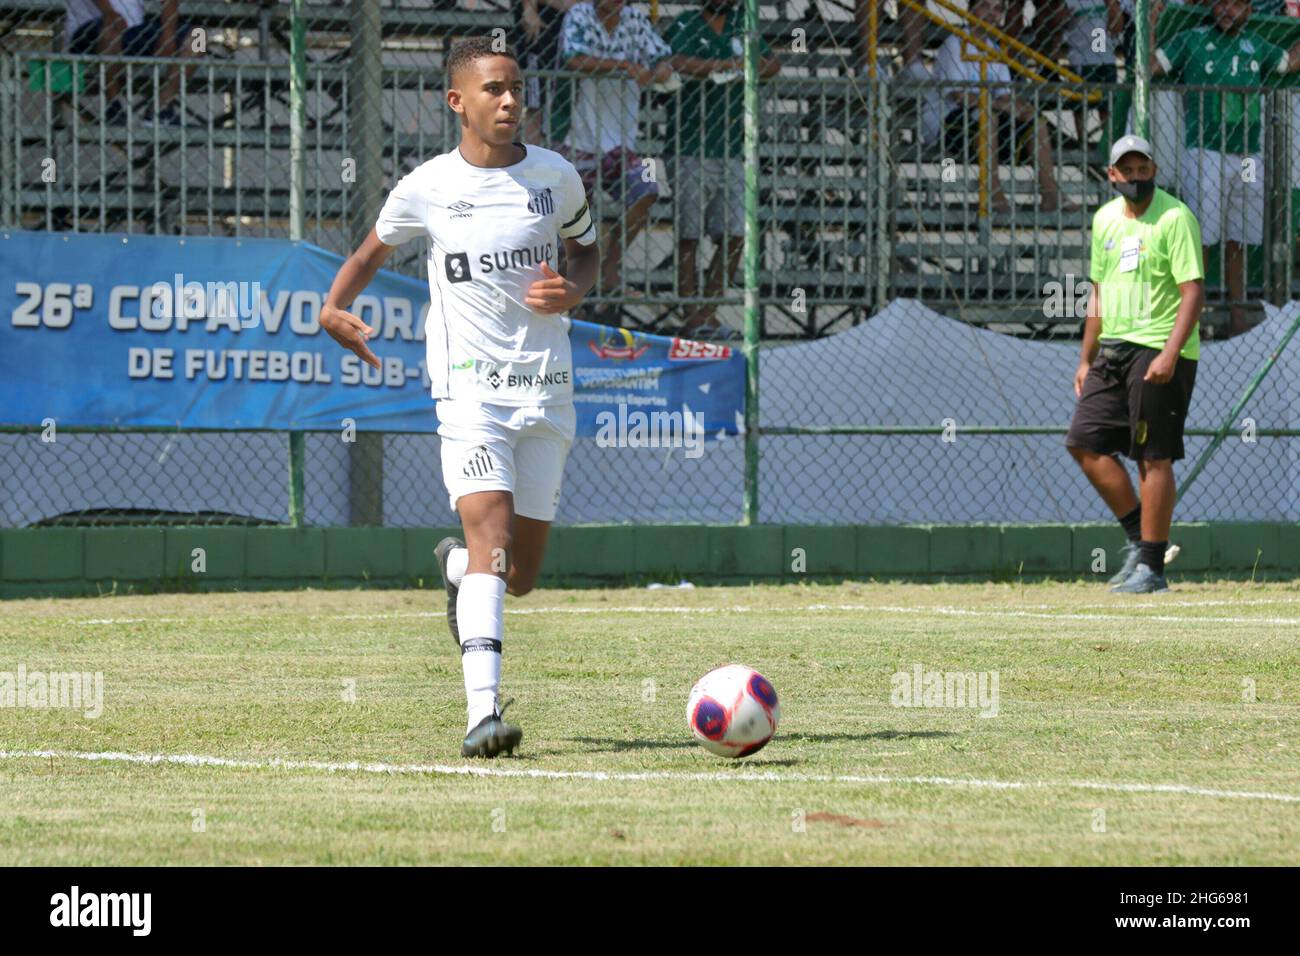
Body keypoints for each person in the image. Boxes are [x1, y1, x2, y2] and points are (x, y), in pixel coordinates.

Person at [318, 37, 599, 757]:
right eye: (493, 90)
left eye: (515, 90)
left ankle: (455, 568)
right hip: (469, 392)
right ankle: (483, 716)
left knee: (520, 575)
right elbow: (367, 255)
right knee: (493, 540)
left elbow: (588, 250)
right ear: (457, 102)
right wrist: (333, 308)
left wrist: (574, 287)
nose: (509, 102)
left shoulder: (556, 177)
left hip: (546, 391)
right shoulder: (427, 187)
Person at [1066, 135, 1203, 594]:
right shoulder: (1104, 220)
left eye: (1143, 168)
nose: (1136, 177)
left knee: (1153, 455)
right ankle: (1142, 544)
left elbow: (1193, 293)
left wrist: (1169, 352)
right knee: (1085, 443)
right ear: (1112, 175)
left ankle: (1152, 570)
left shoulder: (1175, 217)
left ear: (1154, 170)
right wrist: (1087, 357)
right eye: (1127, 170)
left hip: (1159, 349)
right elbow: (1099, 294)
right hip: (1113, 350)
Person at [1152, 0, 1300, 334]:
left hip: (1248, 156)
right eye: (1220, 2)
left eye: (1235, 4)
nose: (1227, 9)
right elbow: (1149, 68)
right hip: (1206, 152)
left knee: (1238, 237)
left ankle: (1237, 312)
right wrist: (1150, 26)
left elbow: (1288, 64)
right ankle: (1192, 313)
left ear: (1248, 10)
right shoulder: (1190, 39)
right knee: (1200, 238)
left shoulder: (1256, 44)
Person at [663, 0, 778, 338]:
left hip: (731, 147)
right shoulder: (686, 22)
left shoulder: (745, 22)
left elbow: (773, 64)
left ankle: (704, 314)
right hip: (688, 144)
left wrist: (740, 66)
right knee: (688, 235)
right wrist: (725, 66)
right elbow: (674, 62)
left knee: (737, 235)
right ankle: (692, 315)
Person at [559, 0, 674, 308]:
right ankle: (568, 281)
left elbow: (663, 58)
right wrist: (625, 66)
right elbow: (573, 59)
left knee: (647, 189)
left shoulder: (636, 20)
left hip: (622, 142)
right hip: (578, 139)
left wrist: (660, 72)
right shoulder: (579, 14)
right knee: (567, 217)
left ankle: (609, 270)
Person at [926, 0, 1079, 213]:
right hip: (946, 124)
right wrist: (1001, 105)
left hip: (986, 122)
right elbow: (959, 96)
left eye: (997, 9)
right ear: (971, 10)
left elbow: (1006, 96)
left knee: (1036, 121)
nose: (991, 13)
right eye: (985, 6)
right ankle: (992, 190)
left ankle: (1050, 193)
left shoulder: (995, 48)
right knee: (989, 115)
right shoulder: (955, 43)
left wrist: (1022, 109)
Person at [64, 0, 193, 126]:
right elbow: (110, 18)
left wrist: (168, 33)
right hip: (88, 32)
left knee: (198, 36)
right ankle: (113, 107)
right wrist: (108, 12)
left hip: (134, 32)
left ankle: (161, 108)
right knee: (111, 28)